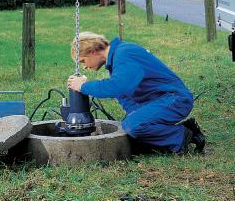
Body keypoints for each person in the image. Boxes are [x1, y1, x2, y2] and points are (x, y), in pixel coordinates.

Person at [67, 32, 205, 154]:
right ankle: (166, 137)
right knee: (130, 127)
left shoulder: (124, 54)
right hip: (160, 100)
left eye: (83, 61)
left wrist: (83, 86)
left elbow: (118, 87)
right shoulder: (117, 58)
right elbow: (125, 94)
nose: (84, 66)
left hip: (175, 99)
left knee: (133, 126)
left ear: (93, 52)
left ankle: (183, 136)